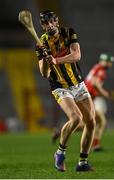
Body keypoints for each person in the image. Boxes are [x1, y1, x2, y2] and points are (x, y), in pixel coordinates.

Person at [35, 10, 96, 172]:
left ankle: (83, 162)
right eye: (45, 23)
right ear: (42, 26)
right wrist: (46, 60)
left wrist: (56, 59)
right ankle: (60, 153)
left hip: (78, 83)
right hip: (59, 86)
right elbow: (44, 73)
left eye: (51, 21)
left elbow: (76, 55)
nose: (49, 25)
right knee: (76, 118)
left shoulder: (68, 33)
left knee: (91, 122)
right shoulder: (41, 44)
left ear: (56, 21)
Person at [85, 53, 114, 151]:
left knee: (91, 122)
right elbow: (95, 85)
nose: (111, 64)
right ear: (104, 61)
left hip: (86, 97)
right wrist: (108, 95)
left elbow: (92, 85)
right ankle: (95, 145)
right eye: (109, 62)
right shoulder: (101, 70)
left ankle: (95, 144)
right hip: (88, 98)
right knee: (100, 121)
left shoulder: (96, 68)